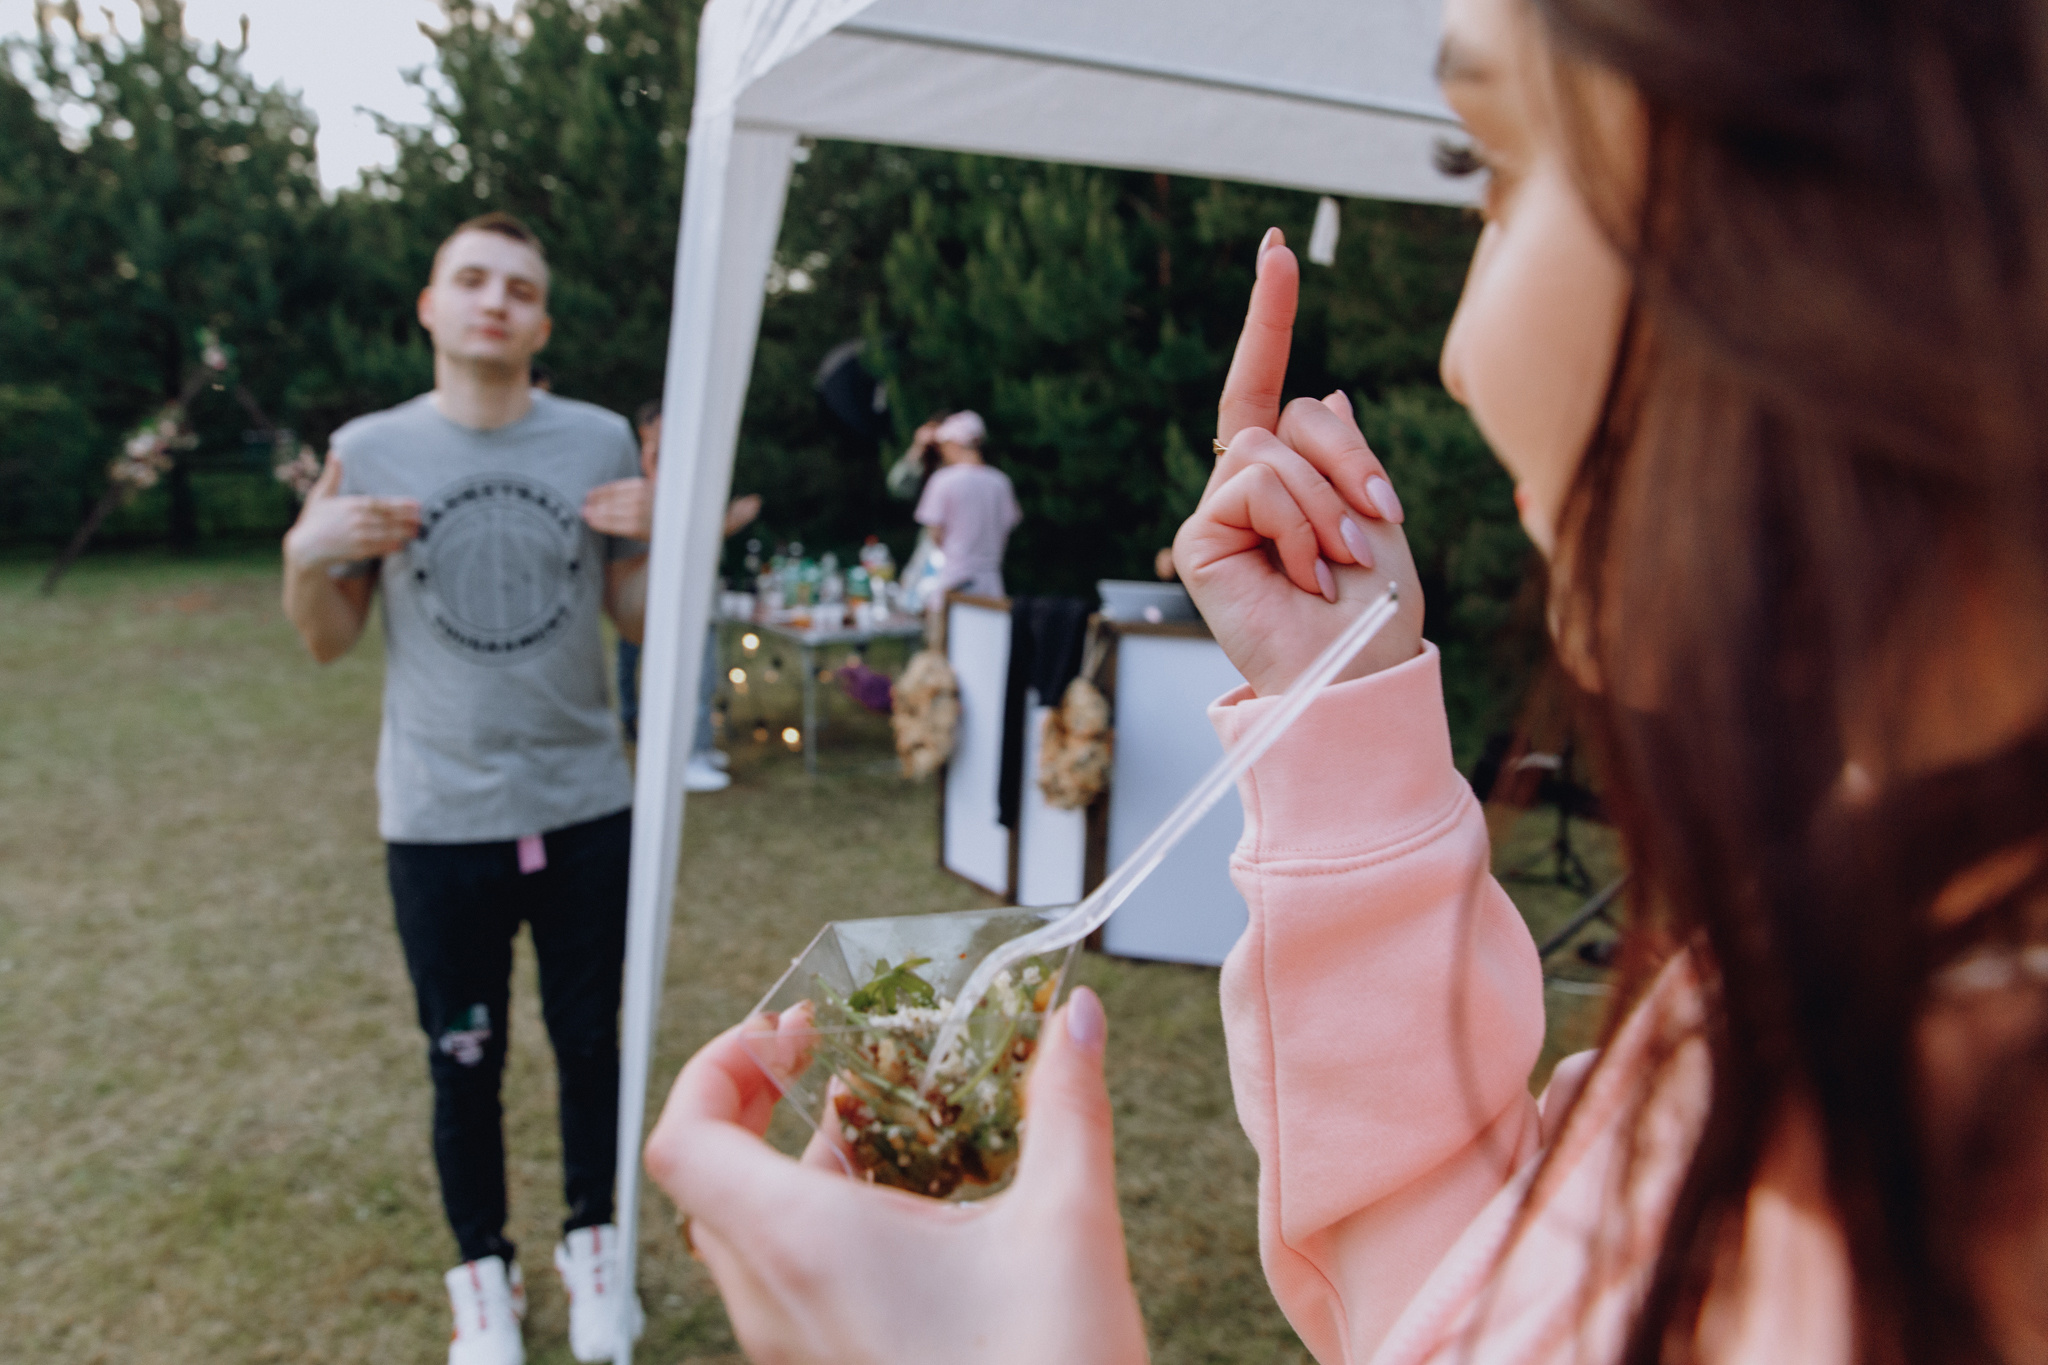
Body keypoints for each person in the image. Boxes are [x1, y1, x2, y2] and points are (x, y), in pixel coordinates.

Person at [639, 0, 2048, 1360]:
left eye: (1486, 166)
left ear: (1870, 201)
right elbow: (1482, 1290)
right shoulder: (1889, 953)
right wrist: (1346, 706)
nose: (1459, 356)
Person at [281, 212, 651, 1365]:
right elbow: (328, 641)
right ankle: (480, 1273)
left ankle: (594, 1247)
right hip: (439, 817)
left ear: (541, 322)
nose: (495, 300)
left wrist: (668, 538)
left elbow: (632, 619)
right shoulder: (373, 448)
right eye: (471, 280)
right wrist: (305, 552)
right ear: (430, 307)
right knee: (464, 1055)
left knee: (593, 1044)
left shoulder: (597, 439)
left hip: (586, 800)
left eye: (519, 287)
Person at [615, 398, 761, 791]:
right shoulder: (647, 481)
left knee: (704, 675)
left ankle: (699, 747)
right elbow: (682, 535)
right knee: (690, 677)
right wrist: (731, 521)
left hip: (697, 588)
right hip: (673, 592)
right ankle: (686, 758)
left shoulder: (679, 473)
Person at [908, 409, 1021, 599]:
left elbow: (935, 534)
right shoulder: (1000, 481)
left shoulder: (943, 480)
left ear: (954, 444)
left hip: (952, 581)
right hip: (991, 583)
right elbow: (1006, 528)